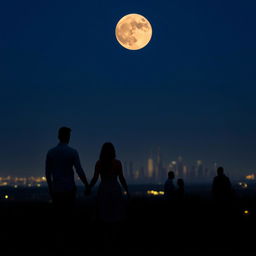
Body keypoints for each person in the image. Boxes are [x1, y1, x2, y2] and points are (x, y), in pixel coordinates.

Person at [89, 142, 129, 250]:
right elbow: (121, 178)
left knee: (104, 214)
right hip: (115, 189)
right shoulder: (117, 163)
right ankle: (115, 240)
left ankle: (105, 241)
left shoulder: (99, 163)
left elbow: (95, 178)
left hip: (104, 189)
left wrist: (88, 187)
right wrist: (127, 190)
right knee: (115, 214)